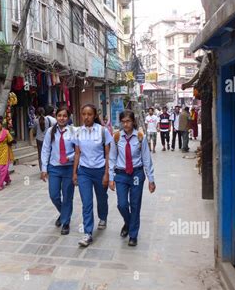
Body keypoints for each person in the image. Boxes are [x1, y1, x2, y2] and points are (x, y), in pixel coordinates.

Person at [109, 110, 155, 246]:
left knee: (135, 205)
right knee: (122, 204)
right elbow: (112, 158)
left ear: (133, 121)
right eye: (123, 122)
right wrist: (111, 177)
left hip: (136, 174)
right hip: (121, 175)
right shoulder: (116, 137)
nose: (125, 124)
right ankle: (128, 223)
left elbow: (147, 159)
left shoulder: (140, 137)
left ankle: (133, 234)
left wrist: (151, 179)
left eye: (128, 121)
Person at [73, 104, 113, 248]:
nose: (86, 117)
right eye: (84, 114)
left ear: (94, 115)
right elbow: (77, 153)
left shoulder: (103, 131)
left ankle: (103, 217)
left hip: (100, 170)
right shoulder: (78, 132)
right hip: (84, 171)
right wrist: (75, 172)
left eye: (89, 114)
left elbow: (108, 154)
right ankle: (88, 232)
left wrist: (107, 174)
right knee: (87, 202)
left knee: (102, 198)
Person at [40, 106, 76, 235]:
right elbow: (45, 150)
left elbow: (79, 150)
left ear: (68, 117)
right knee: (54, 195)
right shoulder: (50, 131)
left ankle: (65, 222)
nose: (62, 118)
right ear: (56, 117)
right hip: (54, 168)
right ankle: (64, 213)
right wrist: (44, 168)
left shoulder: (74, 131)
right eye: (59, 115)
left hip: (68, 168)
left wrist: (69, 157)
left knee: (67, 197)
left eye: (65, 116)